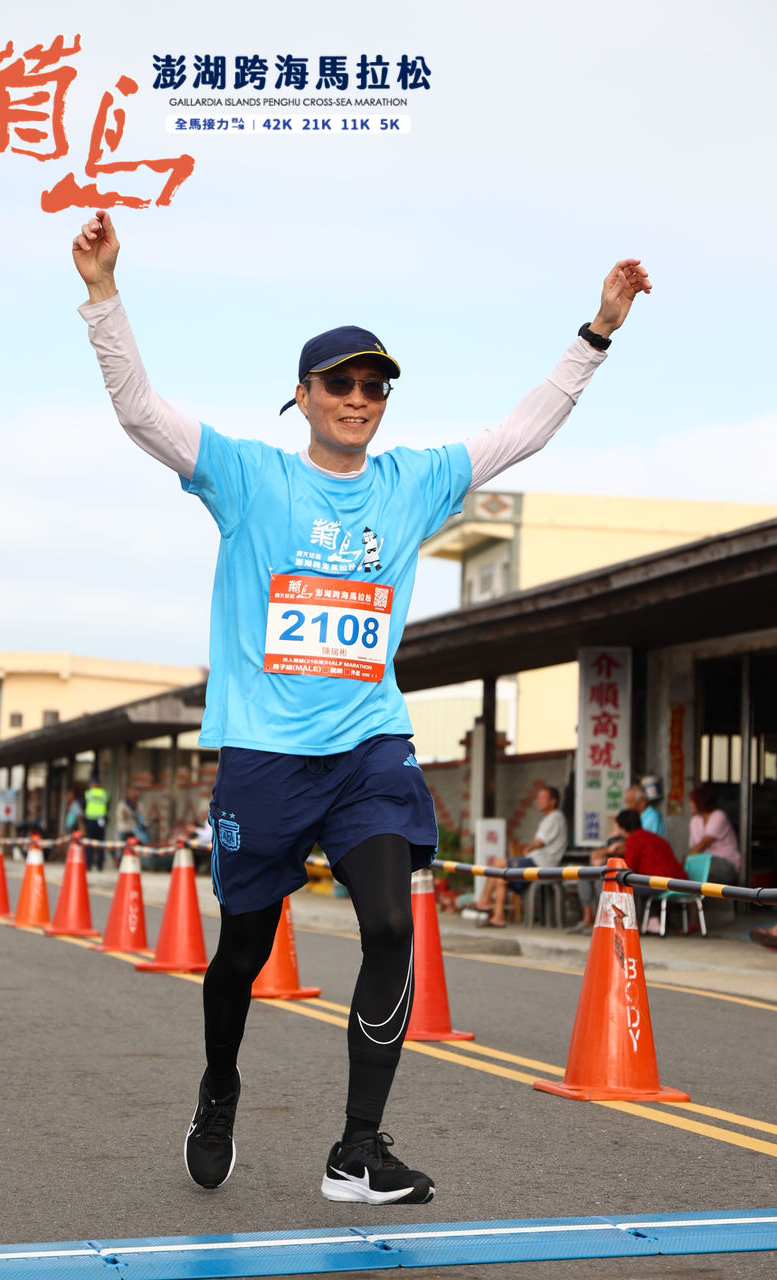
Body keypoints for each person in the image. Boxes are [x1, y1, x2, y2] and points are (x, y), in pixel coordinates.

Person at [72, 208, 650, 1205]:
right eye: (338, 382)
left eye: (373, 385)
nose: (357, 398)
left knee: (390, 922)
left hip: (367, 746)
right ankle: (219, 1087)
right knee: (241, 952)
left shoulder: (411, 482)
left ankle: (356, 1148)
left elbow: (521, 429)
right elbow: (140, 412)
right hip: (264, 754)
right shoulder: (247, 476)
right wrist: (103, 295)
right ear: (302, 395)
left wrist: (595, 332)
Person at [476, 785, 568, 927]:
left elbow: (539, 842)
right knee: (501, 876)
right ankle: (498, 917)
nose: (538, 800)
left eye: (542, 797)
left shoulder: (555, 817)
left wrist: (529, 848)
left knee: (499, 863)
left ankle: (484, 900)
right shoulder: (549, 818)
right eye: (538, 797)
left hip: (542, 864)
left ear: (553, 801)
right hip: (537, 861)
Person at [688, 785, 740, 884]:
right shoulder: (694, 820)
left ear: (701, 801)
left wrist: (684, 861)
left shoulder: (719, 815)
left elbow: (704, 844)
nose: (690, 805)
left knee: (696, 868)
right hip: (703, 860)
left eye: (692, 801)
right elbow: (693, 849)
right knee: (695, 868)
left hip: (725, 863)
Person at [83, 776, 109, 871]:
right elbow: (108, 806)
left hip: (90, 820)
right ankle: (100, 865)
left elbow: (84, 805)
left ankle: (88, 865)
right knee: (100, 844)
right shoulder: (104, 794)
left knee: (89, 843)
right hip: (100, 820)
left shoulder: (88, 793)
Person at [114, 785, 146, 857]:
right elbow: (120, 817)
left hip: (132, 830)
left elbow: (142, 816)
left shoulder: (138, 805)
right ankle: (118, 860)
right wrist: (125, 815)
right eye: (134, 795)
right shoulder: (122, 804)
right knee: (120, 850)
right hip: (122, 829)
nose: (135, 797)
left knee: (131, 850)